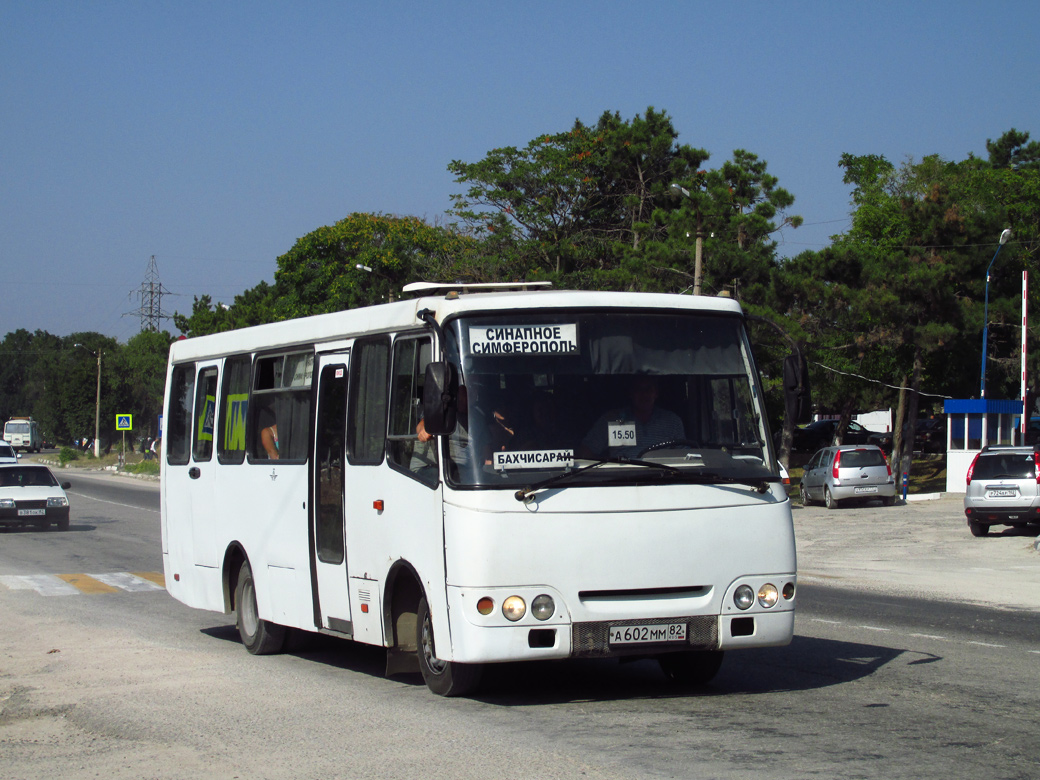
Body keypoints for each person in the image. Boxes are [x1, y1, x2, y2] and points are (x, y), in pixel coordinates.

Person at [578, 376, 685, 459]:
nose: (644, 394)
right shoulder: (612, 418)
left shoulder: (672, 421)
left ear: (656, 393)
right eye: (639, 389)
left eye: (648, 389)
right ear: (631, 394)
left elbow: (685, 456)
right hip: (621, 481)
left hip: (663, 480)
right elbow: (586, 450)